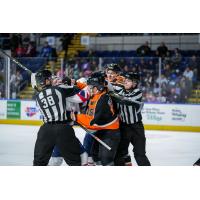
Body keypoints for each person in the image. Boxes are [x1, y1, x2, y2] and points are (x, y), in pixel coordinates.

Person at [31, 69, 88, 166]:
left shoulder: (37, 96)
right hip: (63, 129)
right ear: (48, 80)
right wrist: (72, 83)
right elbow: (84, 94)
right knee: (75, 161)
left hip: (45, 130)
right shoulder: (59, 89)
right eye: (51, 78)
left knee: (39, 162)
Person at [73, 72, 121, 166]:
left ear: (98, 87)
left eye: (91, 87)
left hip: (110, 133)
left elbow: (93, 123)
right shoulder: (99, 92)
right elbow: (87, 86)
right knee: (95, 156)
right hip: (102, 131)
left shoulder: (101, 101)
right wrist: (76, 83)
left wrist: (75, 117)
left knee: (106, 159)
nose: (88, 89)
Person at [110, 72, 151, 166]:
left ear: (135, 83)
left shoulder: (138, 92)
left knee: (139, 154)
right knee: (119, 153)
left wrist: (113, 93)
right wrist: (113, 81)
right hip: (124, 127)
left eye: (128, 81)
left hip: (136, 127)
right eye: (125, 80)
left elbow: (125, 100)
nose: (125, 82)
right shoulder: (121, 91)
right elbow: (109, 87)